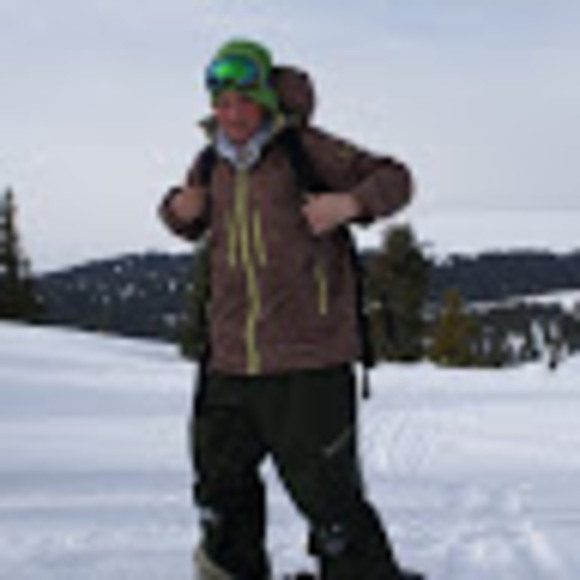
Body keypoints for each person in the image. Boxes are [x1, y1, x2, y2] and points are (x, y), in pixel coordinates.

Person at [159, 39, 423, 580]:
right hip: (229, 362)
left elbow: (396, 178)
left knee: (328, 497)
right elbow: (188, 220)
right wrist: (176, 209)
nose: (232, 114)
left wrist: (349, 203)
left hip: (309, 362)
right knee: (220, 489)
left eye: (243, 100)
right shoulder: (210, 161)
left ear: (264, 100)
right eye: (221, 103)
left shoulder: (305, 149)